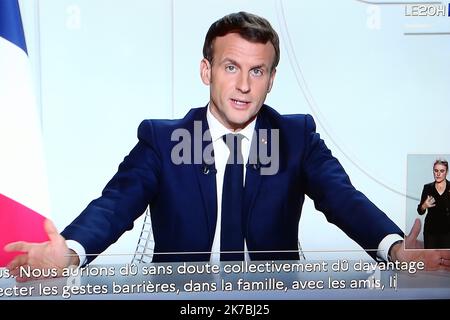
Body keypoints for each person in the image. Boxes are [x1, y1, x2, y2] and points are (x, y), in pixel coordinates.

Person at [4, 11, 450, 280]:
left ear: (272, 80)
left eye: (257, 71)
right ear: (206, 71)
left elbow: (343, 199)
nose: (242, 85)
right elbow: (115, 204)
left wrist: (395, 249)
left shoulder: (296, 137)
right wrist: (72, 251)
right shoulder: (164, 139)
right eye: (231, 66)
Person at [417, 159, 450, 249]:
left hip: (447, 232)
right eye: (436, 171)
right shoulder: (427, 188)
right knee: (430, 260)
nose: (438, 174)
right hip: (431, 232)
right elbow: (420, 211)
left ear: (446, 172)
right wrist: (424, 205)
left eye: (441, 171)